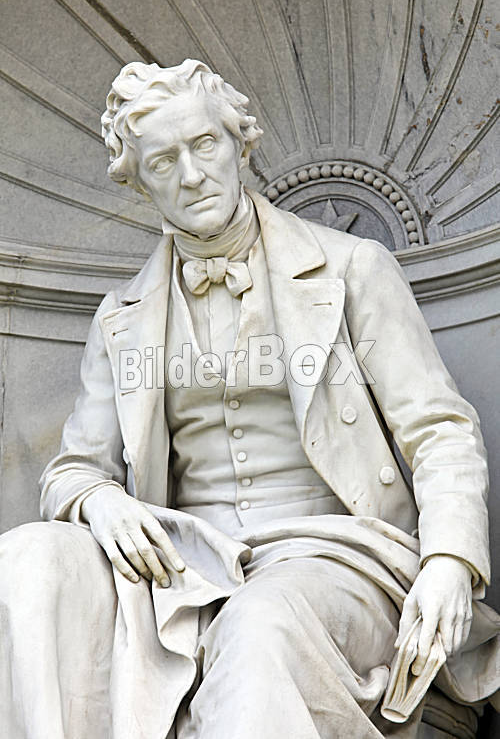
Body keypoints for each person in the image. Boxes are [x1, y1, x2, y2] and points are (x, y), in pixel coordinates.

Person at [0, 58, 498, 739]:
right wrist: (99, 500)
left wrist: (448, 562)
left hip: (337, 558)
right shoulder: (121, 317)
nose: (192, 174)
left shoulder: (352, 269)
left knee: (258, 623)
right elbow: (75, 468)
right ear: (139, 182)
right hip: (184, 570)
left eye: (204, 144)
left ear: (240, 144)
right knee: (28, 560)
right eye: (164, 161)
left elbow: (440, 431)